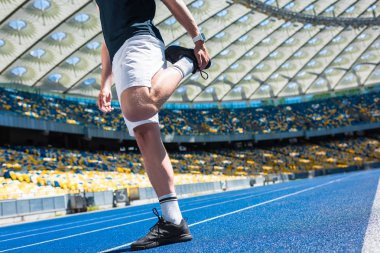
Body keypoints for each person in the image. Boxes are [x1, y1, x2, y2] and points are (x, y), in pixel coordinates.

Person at [95, 0, 211, 251]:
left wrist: (197, 39)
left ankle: (186, 62)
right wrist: (105, 83)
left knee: (139, 107)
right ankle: (173, 221)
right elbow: (107, 37)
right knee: (145, 135)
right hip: (121, 53)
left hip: (139, 41)